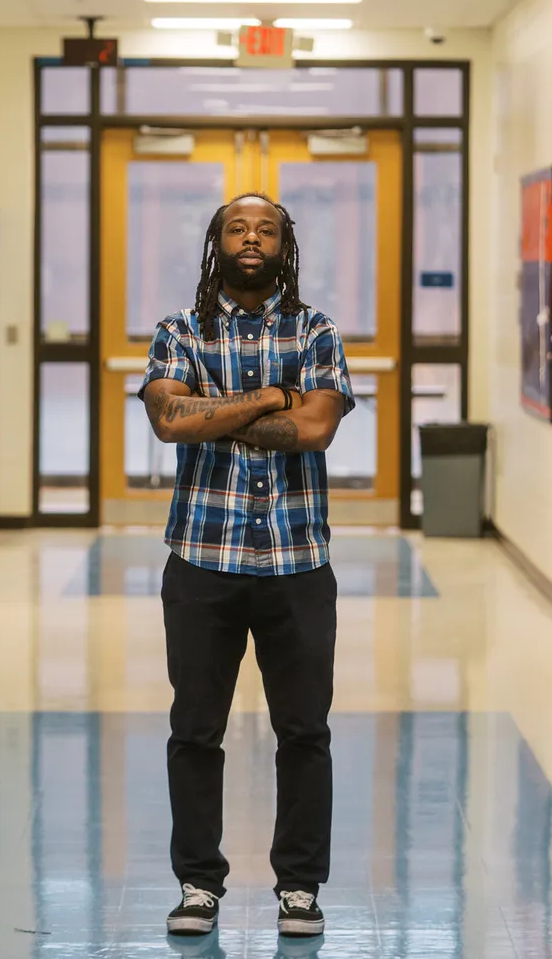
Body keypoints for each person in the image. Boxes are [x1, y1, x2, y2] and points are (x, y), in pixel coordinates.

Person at [139, 193, 354, 939]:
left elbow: (317, 428)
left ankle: (299, 887)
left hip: (297, 562)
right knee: (195, 730)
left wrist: (216, 410)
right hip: (203, 561)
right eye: (237, 228)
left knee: (305, 731)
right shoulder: (179, 331)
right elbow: (170, 420)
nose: (251, 238)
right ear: (216, 243)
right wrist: (271, 396)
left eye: (265, 228)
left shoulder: (317, 330)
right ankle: (199, 883)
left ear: (285, 244)